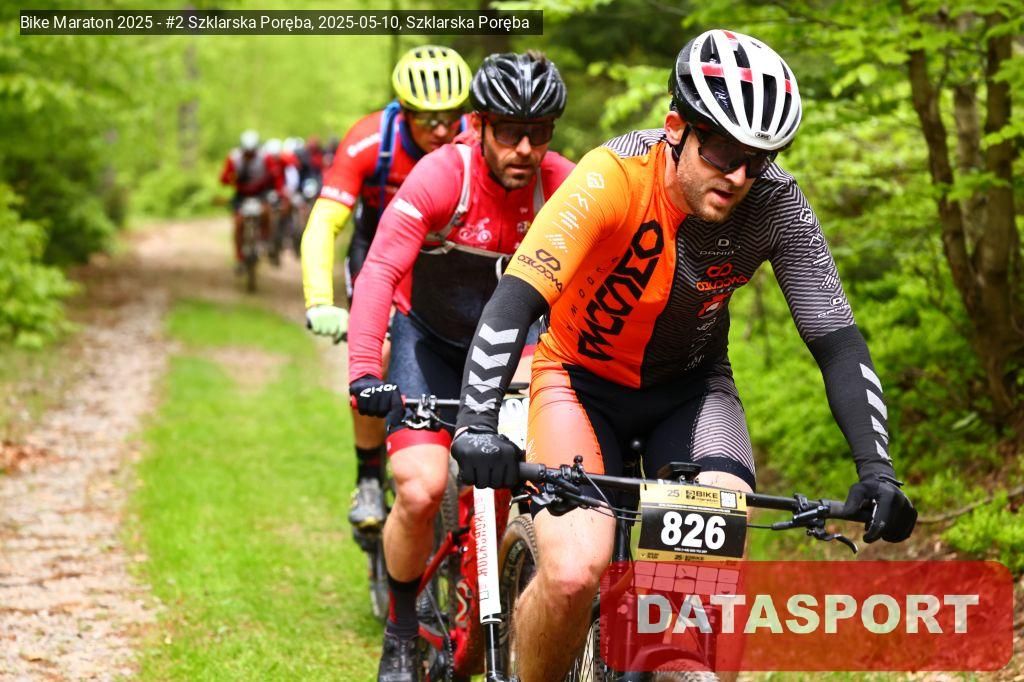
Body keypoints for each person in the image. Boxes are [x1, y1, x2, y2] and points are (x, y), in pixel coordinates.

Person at [449, 29, 918, 681]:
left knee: (704, 572)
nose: (739, 175)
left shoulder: (776, 204)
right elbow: (514, 302)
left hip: (692, 393)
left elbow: (836, 340)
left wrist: (878, 469)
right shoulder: (613, 176)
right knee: (574, 573)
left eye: (758, 158)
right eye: (722, 150)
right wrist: (475, 424)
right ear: (676, 128)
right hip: (579, 385)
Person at [347, 51, 573, 682]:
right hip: (432, 344)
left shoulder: (563, 184)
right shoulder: (443, 175)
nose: (525, 148)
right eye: (510, 131)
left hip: (517, 352)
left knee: (537, 484)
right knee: (420, 490)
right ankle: (400, 631)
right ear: (478, 125)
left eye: (540, 132)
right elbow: (379, 271)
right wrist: (365, 370)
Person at [301, 45, 473, 538]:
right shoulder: (370, 141)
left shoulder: (476, 141)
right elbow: (324, 223)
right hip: (379, 253)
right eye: (427, 119)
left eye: (451, 116)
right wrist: (320, 301)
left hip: (445, 259)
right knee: (377, 352)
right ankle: (368, 478)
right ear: (403, 110)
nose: (441, 129)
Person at [219, 130, 285, 272]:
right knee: (238, 223)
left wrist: (278, 191)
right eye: (247, 152)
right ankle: (239, 257)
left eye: (252, 152)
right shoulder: (234, 158)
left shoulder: (265, 157)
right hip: (241, 195)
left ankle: (265, 241)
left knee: (267, 213)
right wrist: (230, 180)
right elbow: (224, 177)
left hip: (260, 194)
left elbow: (275, 174)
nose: (249, 155)